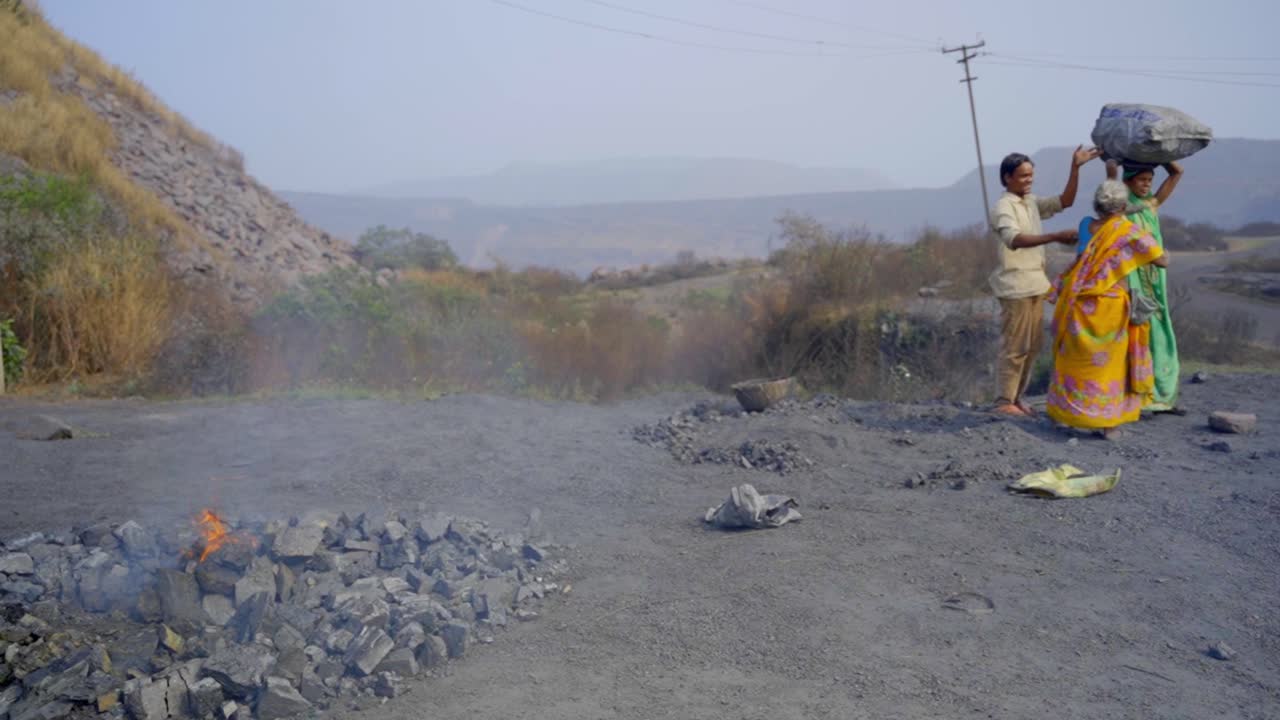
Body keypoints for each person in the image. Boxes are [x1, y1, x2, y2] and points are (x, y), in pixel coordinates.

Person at [1047, 180, 1169, 439]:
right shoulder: (1128, 232)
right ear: (1123, 206)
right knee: (1109, 365)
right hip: (1110, 307)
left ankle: (1064, 417)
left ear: (1096, 205)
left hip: (1078, 302)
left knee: (1072, 360)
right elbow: (1161, 260)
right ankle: (1108, 424)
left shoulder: (1086, 225)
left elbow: (1080, 257)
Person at [989, 146, 1100, 418]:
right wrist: (1054, 237)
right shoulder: (1004, 207)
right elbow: (1013, 239)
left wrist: (1075, 168)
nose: (1028, 181)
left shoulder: (1030, 202)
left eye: (1030, 176)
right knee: (1015, 346)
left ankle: (1017, 398)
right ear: (1007, 178)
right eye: (1023, 176)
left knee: (1033, 346)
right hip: (1015, 286)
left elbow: (1065, 201)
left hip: (1036, 284)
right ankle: (1004, 399)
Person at [1097, 159, 1185, 414]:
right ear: (1128, 182)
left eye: (1150, 180)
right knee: (1135, 328)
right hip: (1131, 278)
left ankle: (1161, 394)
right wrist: (1113, 167)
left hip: (1155, 279)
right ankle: (1134, 395)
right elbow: (1111, 185)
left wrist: (1159, 153)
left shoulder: (1152, 205)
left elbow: (1177, 172)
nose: (1147, 185)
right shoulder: (1121, 209)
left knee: (1158, 327)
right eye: (1142, 180)